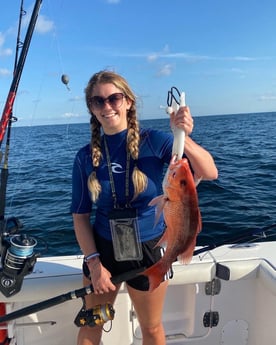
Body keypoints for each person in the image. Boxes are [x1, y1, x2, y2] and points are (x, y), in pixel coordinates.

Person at [70, 70, 218, 345]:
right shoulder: (84, 157)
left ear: (128, 101)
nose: (107, 107)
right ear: (91, 108)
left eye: (114, 98)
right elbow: (80, 217)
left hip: (149, 251)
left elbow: (209, 172)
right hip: (102, 253)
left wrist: (183, 135)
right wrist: (95, 264)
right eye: (98, 101)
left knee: (151, 328)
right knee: (93, 323)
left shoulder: (155, 141)